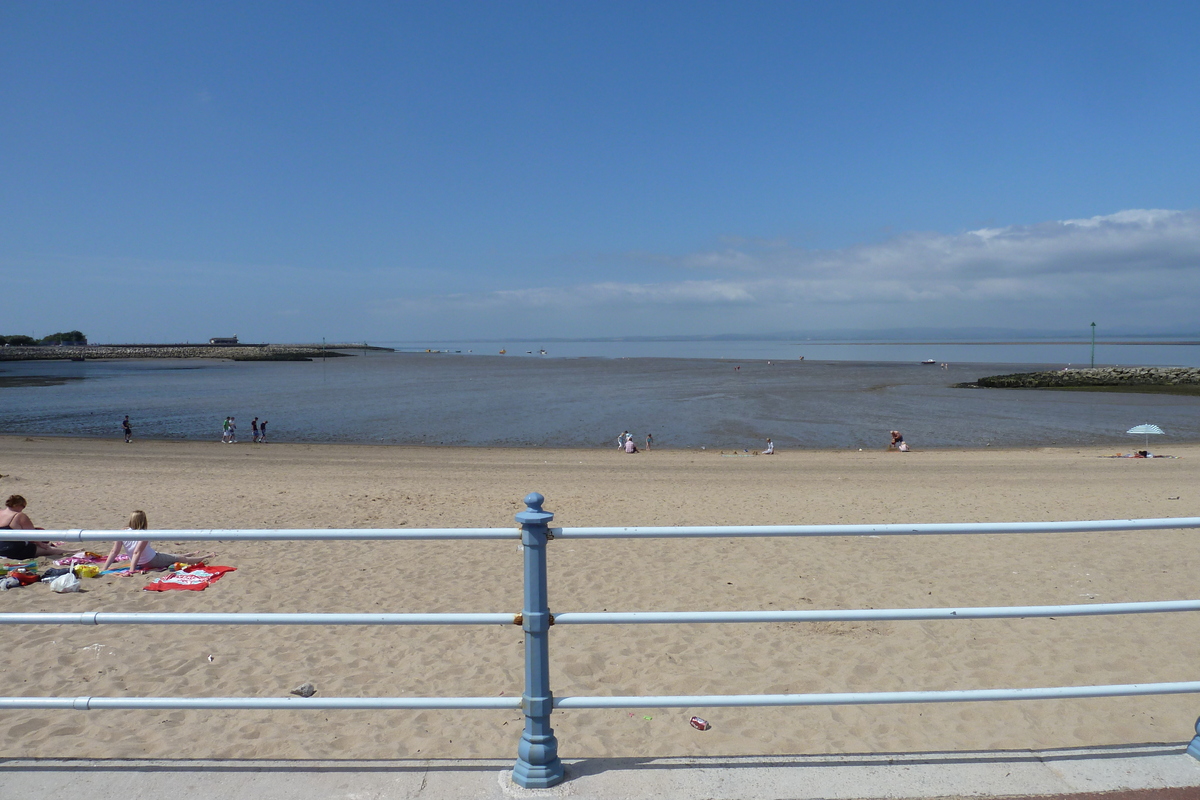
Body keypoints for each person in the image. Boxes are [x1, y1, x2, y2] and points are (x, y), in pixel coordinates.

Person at [100, 510, 215, 574]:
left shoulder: (122, 532)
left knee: (171, 556)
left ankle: (191, 553)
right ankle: (206, 556)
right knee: (180, 559)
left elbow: (114, 552)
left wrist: (105, 568)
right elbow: (137, 552)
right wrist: (131, 570)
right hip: (151, 560)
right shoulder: (144, 533)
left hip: (140, 561)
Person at [0, 495, 70, 559]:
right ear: (18, 505)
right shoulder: (19, 515)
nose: (22, 509)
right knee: (49, 549)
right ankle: (73, 551)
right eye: (23, 506)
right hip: (14, 550)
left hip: (1, 549)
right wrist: (40, 544)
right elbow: (33, 535)